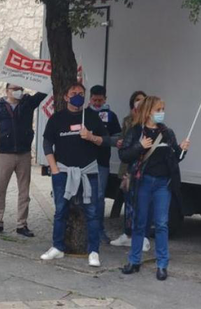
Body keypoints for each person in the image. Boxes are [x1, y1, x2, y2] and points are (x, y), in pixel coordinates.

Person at [119, 96, 190, 281]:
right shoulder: (136, 131)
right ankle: (134, 261)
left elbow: (175, 158)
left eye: (163, 109)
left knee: (161, 224)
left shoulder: (167, 133)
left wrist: (182, 149)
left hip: (162, 184)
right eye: (158, 109)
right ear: (149, 111)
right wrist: (139, 146)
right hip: (142, 182)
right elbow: (124, 155)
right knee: (139, 223)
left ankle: (162, 265)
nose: (162, 113)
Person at [41, 83, 106, 267]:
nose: (78, 96)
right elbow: (47, 143)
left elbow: (108, 140)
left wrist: (92, 137)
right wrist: (54, 169)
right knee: (60, 210)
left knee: (92, 212)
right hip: (63, 172)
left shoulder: (92, 117)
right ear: (66, 97)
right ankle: (57, 247)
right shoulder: (57, 118)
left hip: (88, 172)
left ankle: (93, 251)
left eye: (81, 93)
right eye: (74, 93)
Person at [0, 84, 47, 237]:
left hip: (24, 153)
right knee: (0, 189)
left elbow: (43, 92)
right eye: (15, 89)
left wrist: (46, 79)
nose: (19, 91)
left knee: (24, 191)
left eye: (21, 88)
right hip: (5, 153)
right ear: (7, 90)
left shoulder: (28, 102)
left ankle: (21, 224)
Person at [110, 91, 151, 251]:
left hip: (145, 168)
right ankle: (127, 234)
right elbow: (125, 142)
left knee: (143, 204)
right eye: (136, 100)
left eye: (142, 100)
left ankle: (143, 237)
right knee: (129, 203)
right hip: (129, 167)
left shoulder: (151, 121)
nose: (139, 103)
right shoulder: (128, 121)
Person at [84, 85, 121, 244]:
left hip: (102, 163)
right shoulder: (83, 114)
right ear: (90, 98)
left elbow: (118, 140)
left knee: (99, 198)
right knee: (84, 197)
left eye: (100, 100)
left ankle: (99, 230)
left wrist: (99, 140)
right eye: (94, 100)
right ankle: (83, 230)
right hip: (83, 162)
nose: (97, 103)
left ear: (105, 99)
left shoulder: (111, 116)